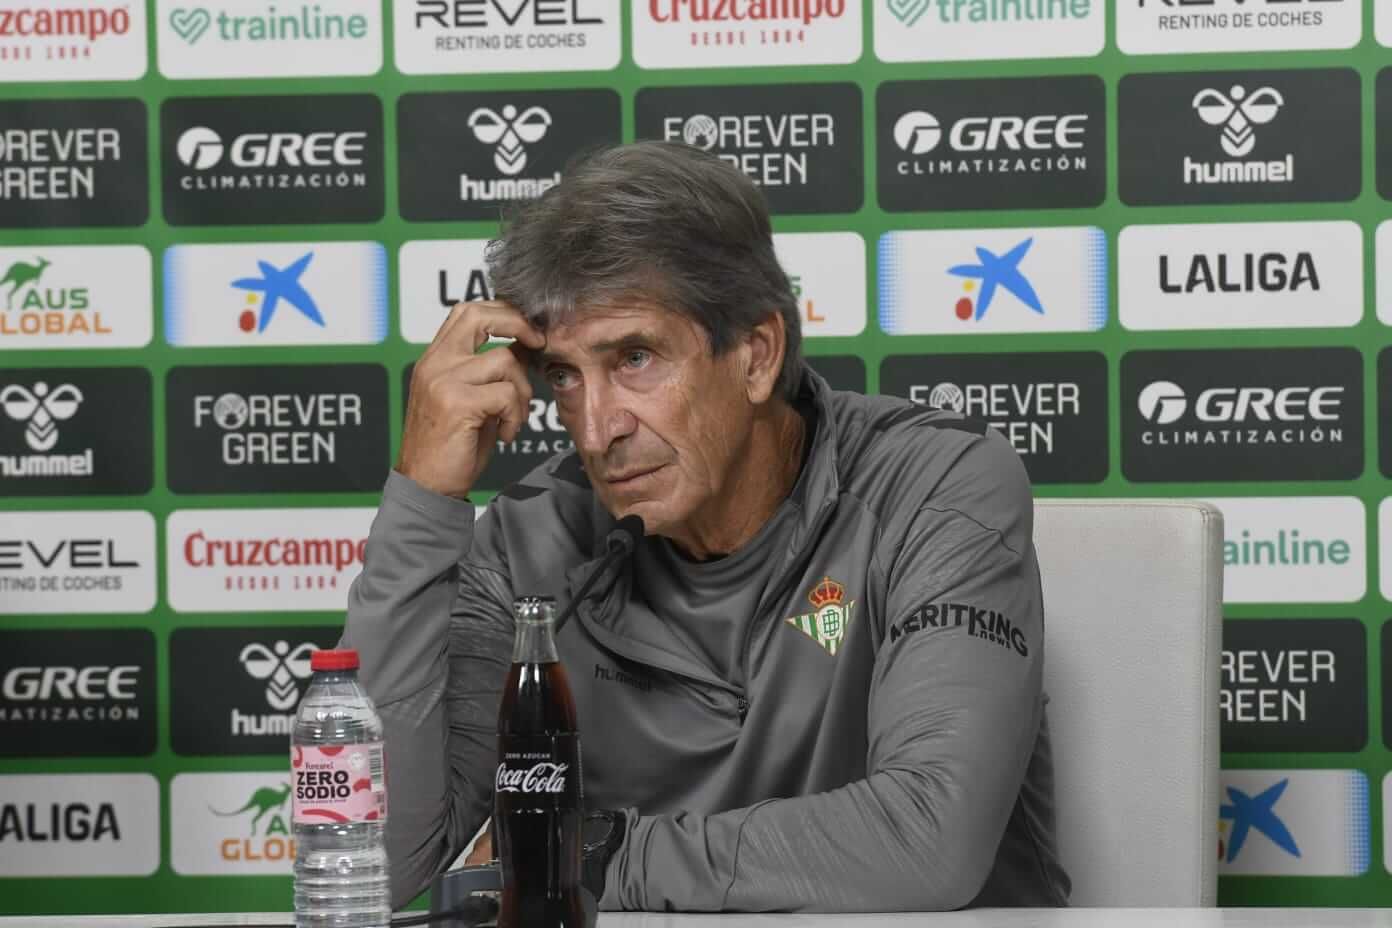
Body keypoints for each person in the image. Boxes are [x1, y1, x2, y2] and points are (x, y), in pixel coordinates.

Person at [341, 140, 1070, 912]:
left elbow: (930, 839)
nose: (595, 432)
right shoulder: (531, 539)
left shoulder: (933, 483)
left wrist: (595, 854)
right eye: (564, 375)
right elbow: (384, 865)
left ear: (756, 354)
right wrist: (423, 503)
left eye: (635, 359)